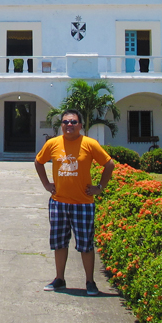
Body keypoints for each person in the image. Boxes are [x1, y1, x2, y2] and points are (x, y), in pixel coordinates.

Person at [35, 109, 115, 296]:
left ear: (80, 125)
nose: (69, 125)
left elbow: (109, 164)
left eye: (73, 122)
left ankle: (90, 281)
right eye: (65, 122)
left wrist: (100, 187)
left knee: (86, 244)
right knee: (59, 243)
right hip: (59, 202)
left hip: (83, 203)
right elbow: (39, 162)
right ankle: (60, 279)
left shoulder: (89, 144)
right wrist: (46, 184)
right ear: (61, 125)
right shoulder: (53, 144)